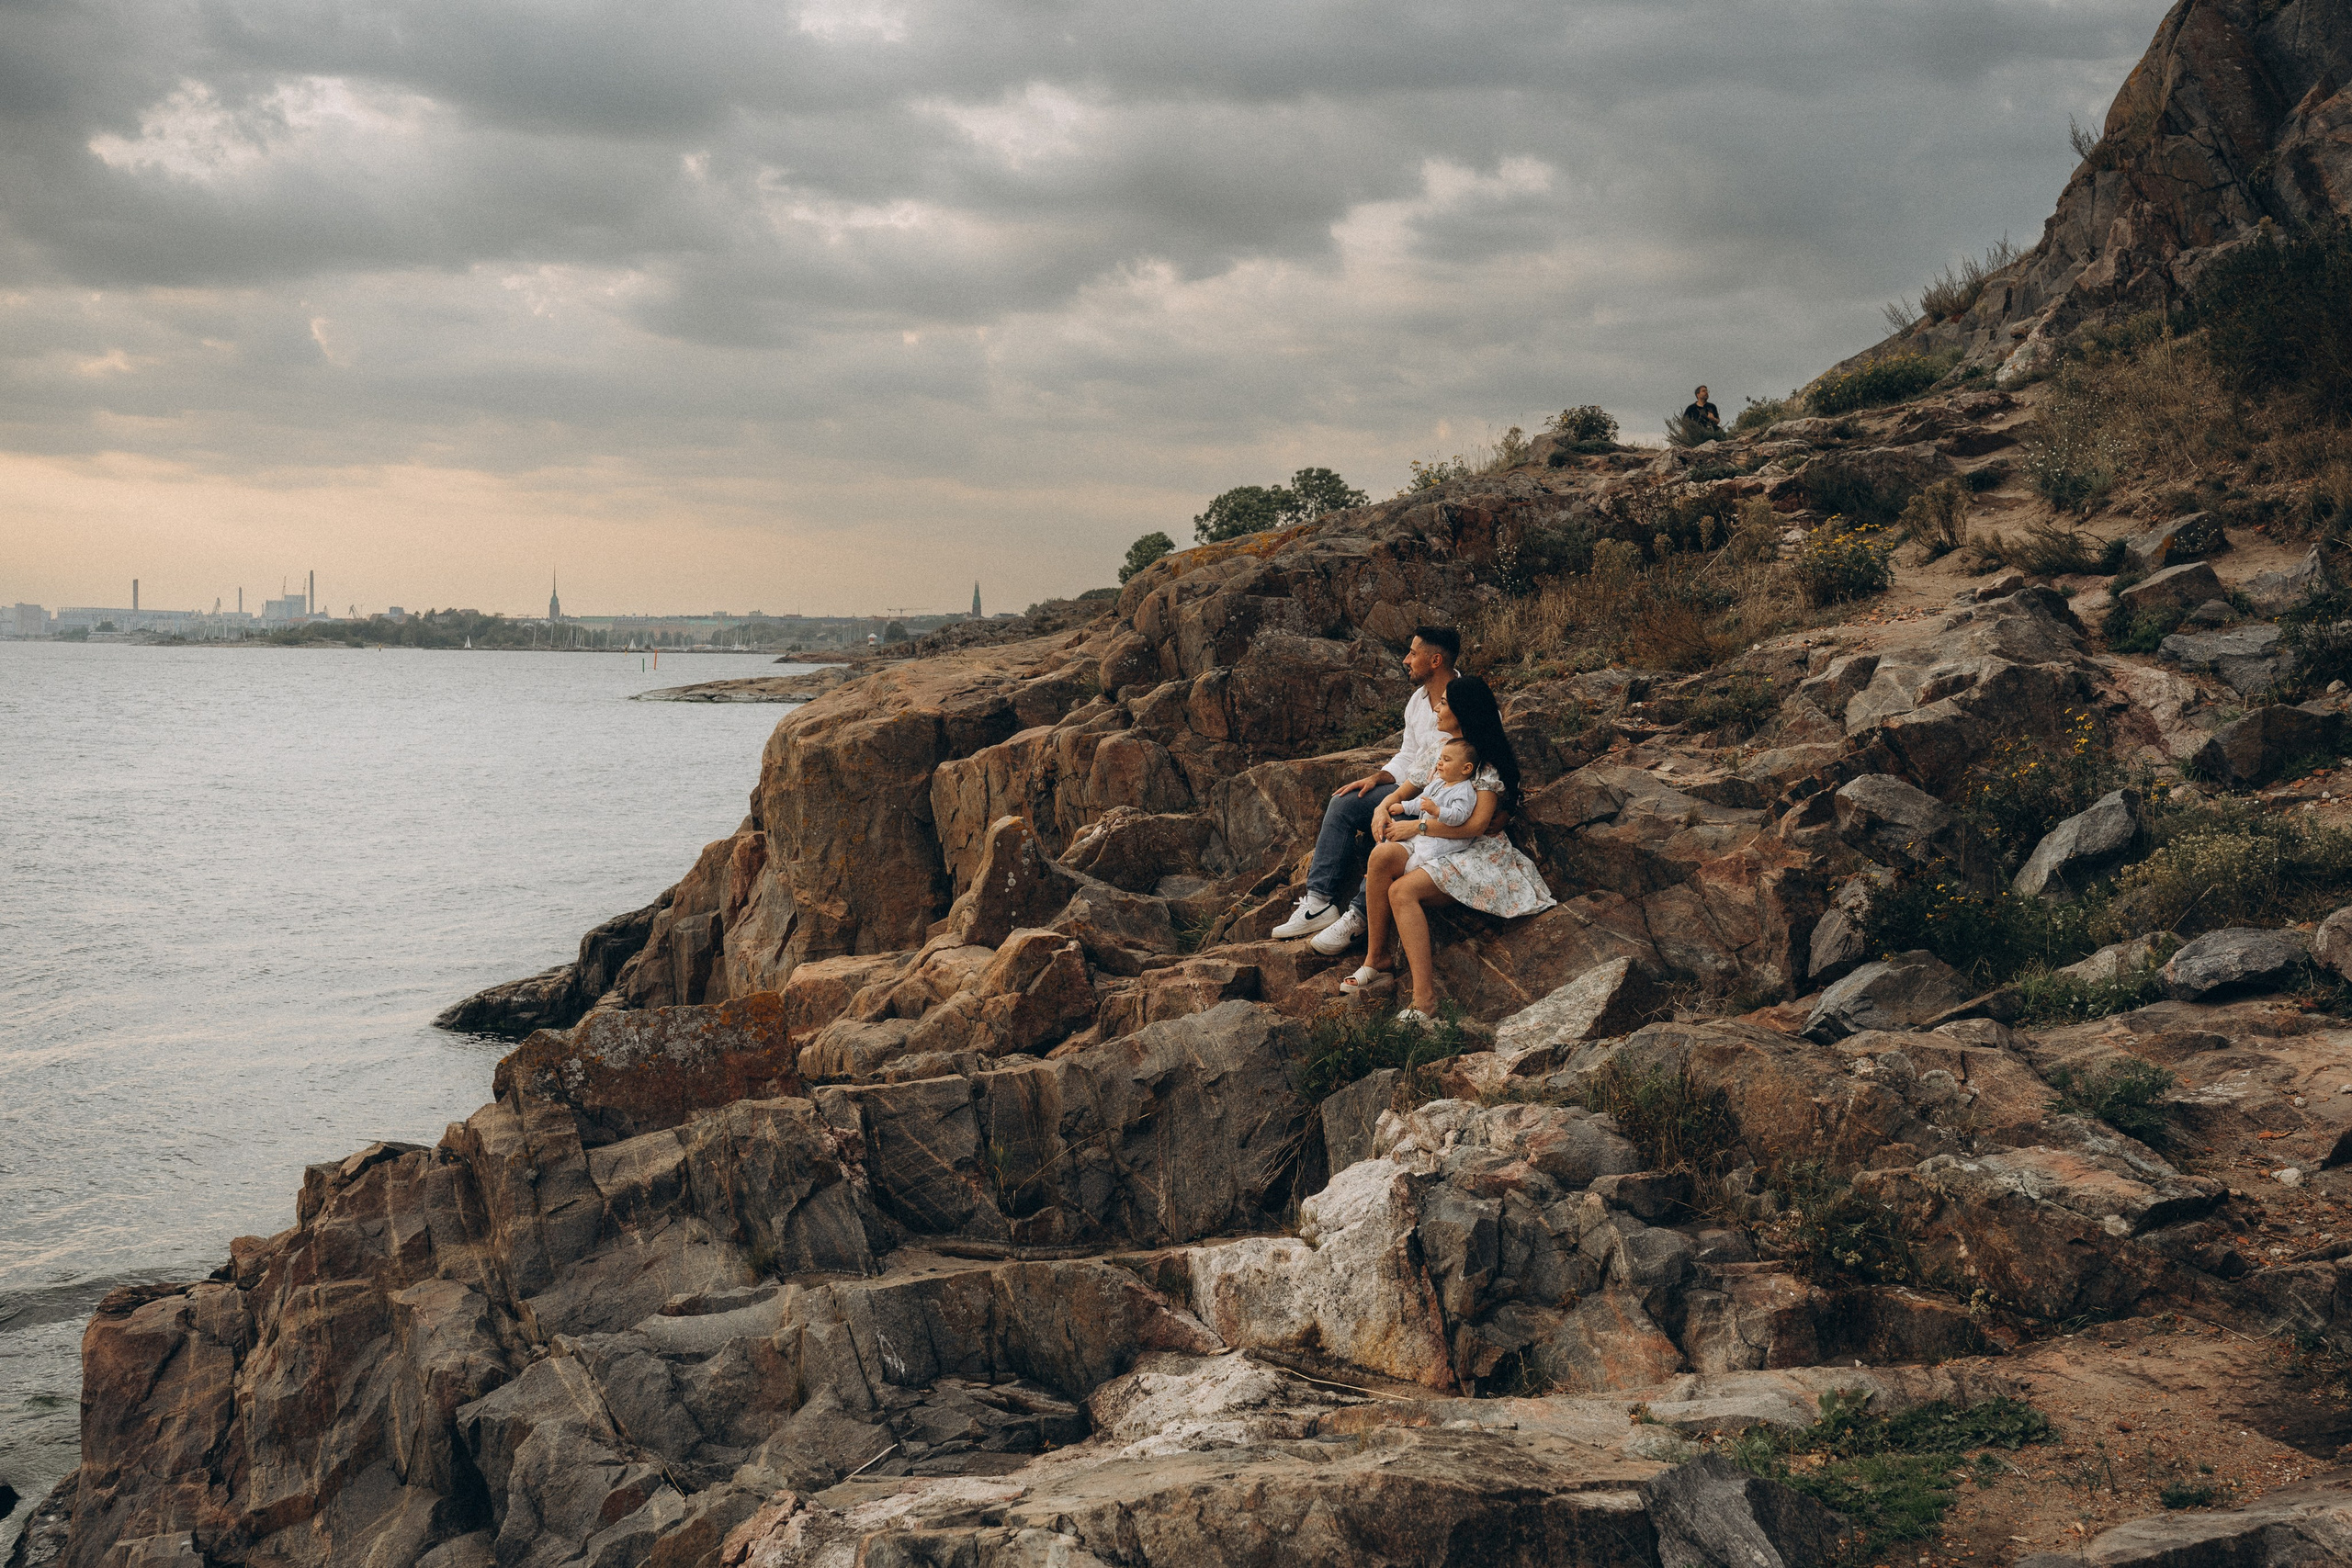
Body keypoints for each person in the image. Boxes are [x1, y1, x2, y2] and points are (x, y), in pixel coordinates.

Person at [1338, 674, 1556, 1021]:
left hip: (1472, 850)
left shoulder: (1481, 763)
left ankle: (1424, 1001)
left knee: (1402, 892)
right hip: (1433, 840)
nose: (1437, 708)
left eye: (1443, 704)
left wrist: (1417, 825)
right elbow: (1403, 791)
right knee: (1380, 856)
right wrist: (1382, 808)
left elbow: (1475, 826)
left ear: (1462, 712)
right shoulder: (1440, 750)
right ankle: (1376, 960)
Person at [1271, 626, 1459, 953]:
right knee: (1344, 802)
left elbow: (1473, 756)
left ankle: (1358, 917)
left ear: (1435, 660)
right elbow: (1408, 755)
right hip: (1408, 788)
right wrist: (1379, 778)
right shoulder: (1418, 701)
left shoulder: (1466, 696)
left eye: (1413, 653)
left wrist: (1398, 801)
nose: (1406, 659)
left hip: (1440, 799)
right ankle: (1318, 903)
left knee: (1393, 828)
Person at [1396, 739, 1480, 871]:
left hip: (1446, 839)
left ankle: (1402, 873)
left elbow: (1459, 815)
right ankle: (1382, 867)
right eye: (1440, 758)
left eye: (1446, 760)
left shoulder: (1464, 791)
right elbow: (1423, 802)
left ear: (1466, 768)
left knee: (1422, 855)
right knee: (1397, 838)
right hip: (1428, 832)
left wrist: (1437, 810)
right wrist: (1404, 807)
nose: (1439, 763)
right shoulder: (1439, 783)